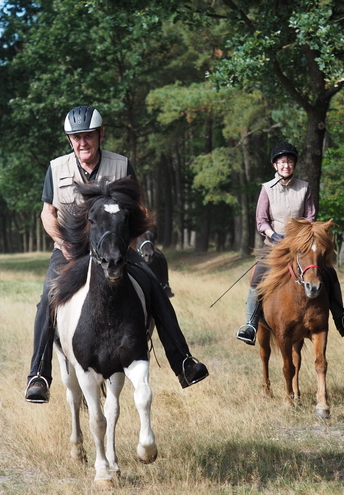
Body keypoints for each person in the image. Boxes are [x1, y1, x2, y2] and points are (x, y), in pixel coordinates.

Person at [25, 105, 209, 403]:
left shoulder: (121, 165)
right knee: (48, 297)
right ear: (69, 140)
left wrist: (136, 239)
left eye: (87, 136)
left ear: (100, 134)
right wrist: (62, 242)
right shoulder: (56, 167)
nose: (82, 142)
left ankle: (184, 362)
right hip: (71, 249)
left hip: (115, 247)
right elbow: (48, 213)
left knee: (154, 287)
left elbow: (139, 208)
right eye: (75, 137)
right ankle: (38, 375)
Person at [236, 141, 344, 346]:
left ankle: (341, 318)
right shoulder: (266, 189)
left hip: (302, 246)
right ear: (275, 165)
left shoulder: (304, 187)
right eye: (282, 162)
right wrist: (274, 235)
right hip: (275, 245)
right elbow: (261, 220)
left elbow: (310, 217)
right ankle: (250, 324)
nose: (286, 165)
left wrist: (301, 239)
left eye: (290, 161)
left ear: (294, 164)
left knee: (329, 272)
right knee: (258, 275)